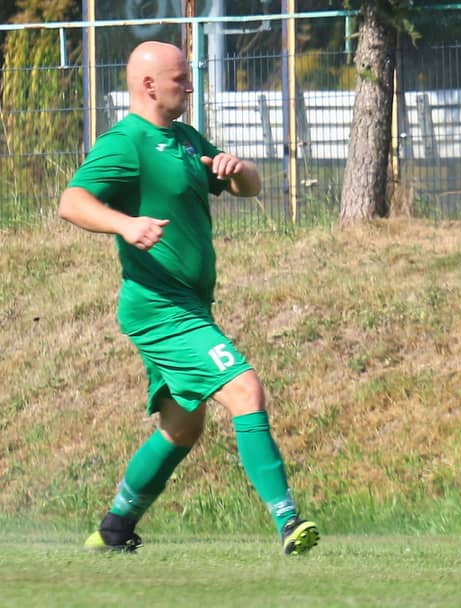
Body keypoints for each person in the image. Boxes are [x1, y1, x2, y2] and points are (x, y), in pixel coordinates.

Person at [58, 41, 319, 556]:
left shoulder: (183, 138)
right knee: (244, 389)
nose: (190, 87)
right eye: (181, 79)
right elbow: (72, 201)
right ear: (149, 85)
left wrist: (237, 169)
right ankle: (288, 521)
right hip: (160, 307)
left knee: (181, 427)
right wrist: (124, 224)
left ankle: (114, 528)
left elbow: (249, 188)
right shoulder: (125, 143)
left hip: (191, 306)